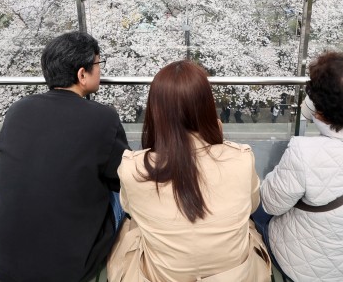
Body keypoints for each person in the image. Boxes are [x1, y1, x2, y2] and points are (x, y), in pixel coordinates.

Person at [0, 32, 129, 282]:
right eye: (98, 64)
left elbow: (3, 160)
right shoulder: (103, 118)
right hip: (67, 270)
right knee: (123, 194)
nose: (100, 71)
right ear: (82, 74)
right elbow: (122, 179)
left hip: (0, 260)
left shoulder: (19, 109)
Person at [107, 61, 271, 282]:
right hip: (237, 276)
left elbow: (129, 208)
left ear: (155, 111)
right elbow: (251, 205)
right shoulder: (241, 159)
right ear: (207, 106)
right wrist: (217, 136)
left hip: (163, 276)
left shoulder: (133, 168)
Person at [256, 51, 343, 282]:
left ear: (320, 110)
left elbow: (271, 203)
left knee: (255, 210)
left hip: (304, 268)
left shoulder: (305, 152)